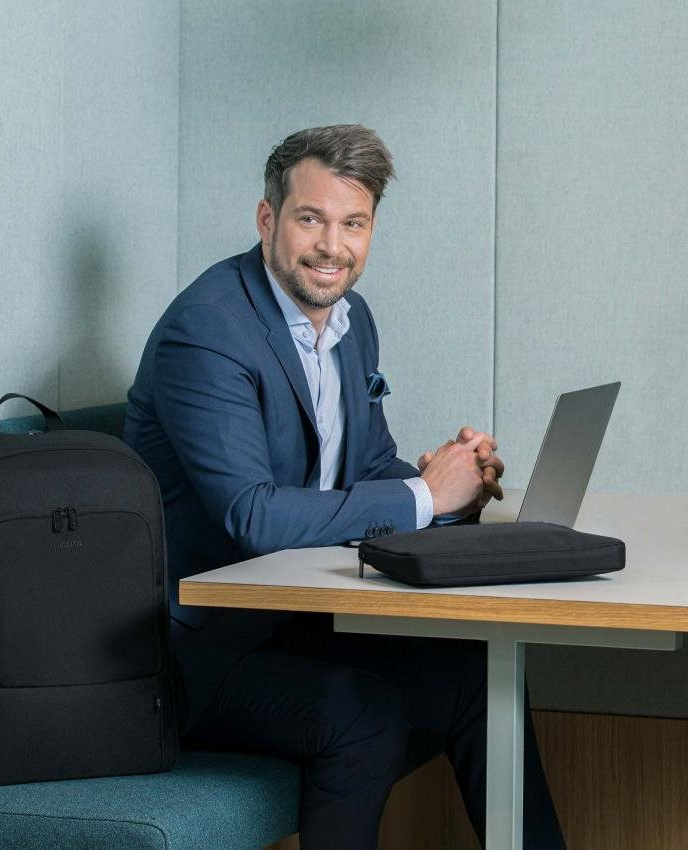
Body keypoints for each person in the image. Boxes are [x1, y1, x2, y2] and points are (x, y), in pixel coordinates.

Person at [124, 124, 566, 849]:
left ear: (372, 230)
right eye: (311, 219)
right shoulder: (207, 331)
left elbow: (369, 466)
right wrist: (425, 498)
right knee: (364, 716)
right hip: (190, 656)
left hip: (290, 620)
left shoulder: (351, 323)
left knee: (479, 675)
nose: (332, 246)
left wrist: (450, 480)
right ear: (267, 219)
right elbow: (251, 515)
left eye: (353, 223)